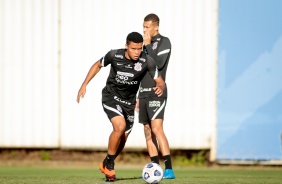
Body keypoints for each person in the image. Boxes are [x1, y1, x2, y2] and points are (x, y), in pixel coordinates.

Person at [76, 32, 165, 182]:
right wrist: (84, 84)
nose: (137, 52)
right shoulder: (114, 56)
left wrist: (160, 87)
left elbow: (160, 81)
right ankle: (110, 165)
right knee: (119, 126)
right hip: (111, 97)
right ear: (126, 46)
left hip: (129, 103)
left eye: (139, 48)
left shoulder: (147, 61)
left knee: (123, 137)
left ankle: (107, 161)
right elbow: (98, 65)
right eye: (133, 49)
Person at [136, 13, 175, 179]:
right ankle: (155, 169)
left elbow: (158, 64)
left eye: (147, 27)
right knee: (147, 131)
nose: (144, 30)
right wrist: (137, 94)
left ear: (156, 27)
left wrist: (148, 45)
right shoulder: (142, 46)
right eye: (143, 26)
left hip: (157, 92)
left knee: (157, 129)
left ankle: (169, 169)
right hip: (143, 93)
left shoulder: (164, 41)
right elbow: (140, 70)